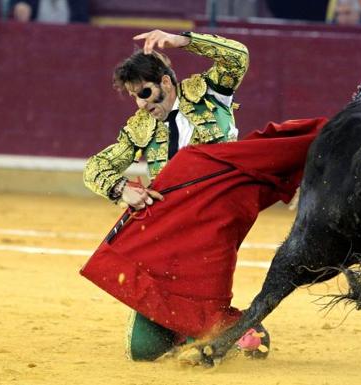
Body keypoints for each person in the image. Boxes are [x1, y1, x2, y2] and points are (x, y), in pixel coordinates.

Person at [82, 29, 259, 361]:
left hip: (216, 221)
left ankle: (233, 327)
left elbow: (239, 57)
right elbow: (94, 168)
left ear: (165, 82)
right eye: (135, 96)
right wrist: (123, 190)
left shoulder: (209, 93)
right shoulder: (141, 126)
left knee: (203, 328)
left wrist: (184, 41)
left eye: (146, 92)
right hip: (173, 229)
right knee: (143, 350)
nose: (143, 103)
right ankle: (211, 326)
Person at [10, 0, 89, 24]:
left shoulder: (79, 1)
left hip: (68, 49)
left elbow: (83, 26)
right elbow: (16, 3)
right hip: (34, 45)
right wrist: (19, 5)